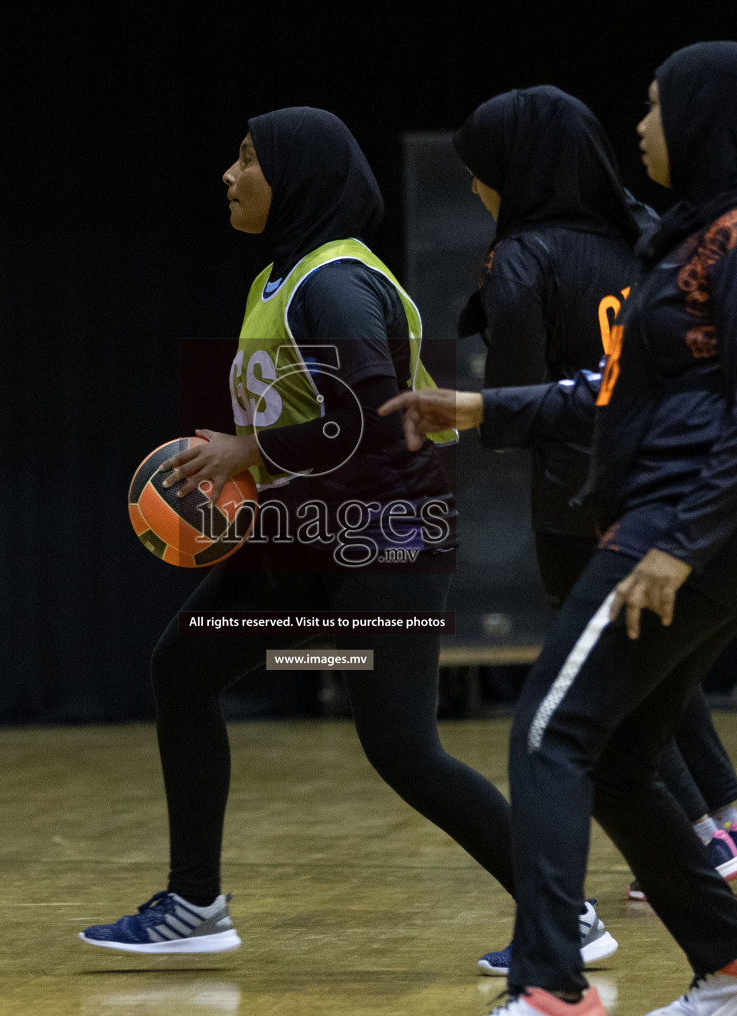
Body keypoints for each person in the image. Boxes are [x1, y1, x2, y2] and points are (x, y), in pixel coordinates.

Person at [78, 107, 616, 968]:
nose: (229, 174)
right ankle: (195, 903)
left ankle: (566, 914)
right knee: (183, 668)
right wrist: (247, 474)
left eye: (248, 157)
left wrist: (248, 450)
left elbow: (370, 417)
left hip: (385, 535)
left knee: (402, 747)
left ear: (297, 178)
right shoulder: (279, 280)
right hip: (311, 532)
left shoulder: (333, 282)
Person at [393, 44, 737, 1016]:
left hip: (687, 528)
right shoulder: (691, 238)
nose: (639, 125)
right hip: (694, 528)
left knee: (546, 730)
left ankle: (550, 984)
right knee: (619, 759)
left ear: (708, 120)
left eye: (659, 106)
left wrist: (678, 540)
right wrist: (478, 408)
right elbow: (609, 388)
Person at [442, 85, 737, 975]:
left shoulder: (524, 254)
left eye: (480, 173)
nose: (472, 188)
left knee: (561, 728)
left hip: (579, 502)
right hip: (660, 492)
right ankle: (720, 838)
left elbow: (512, 394)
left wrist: (492, 317)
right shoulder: (654, 233)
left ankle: (562, 945)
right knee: (630, 682)